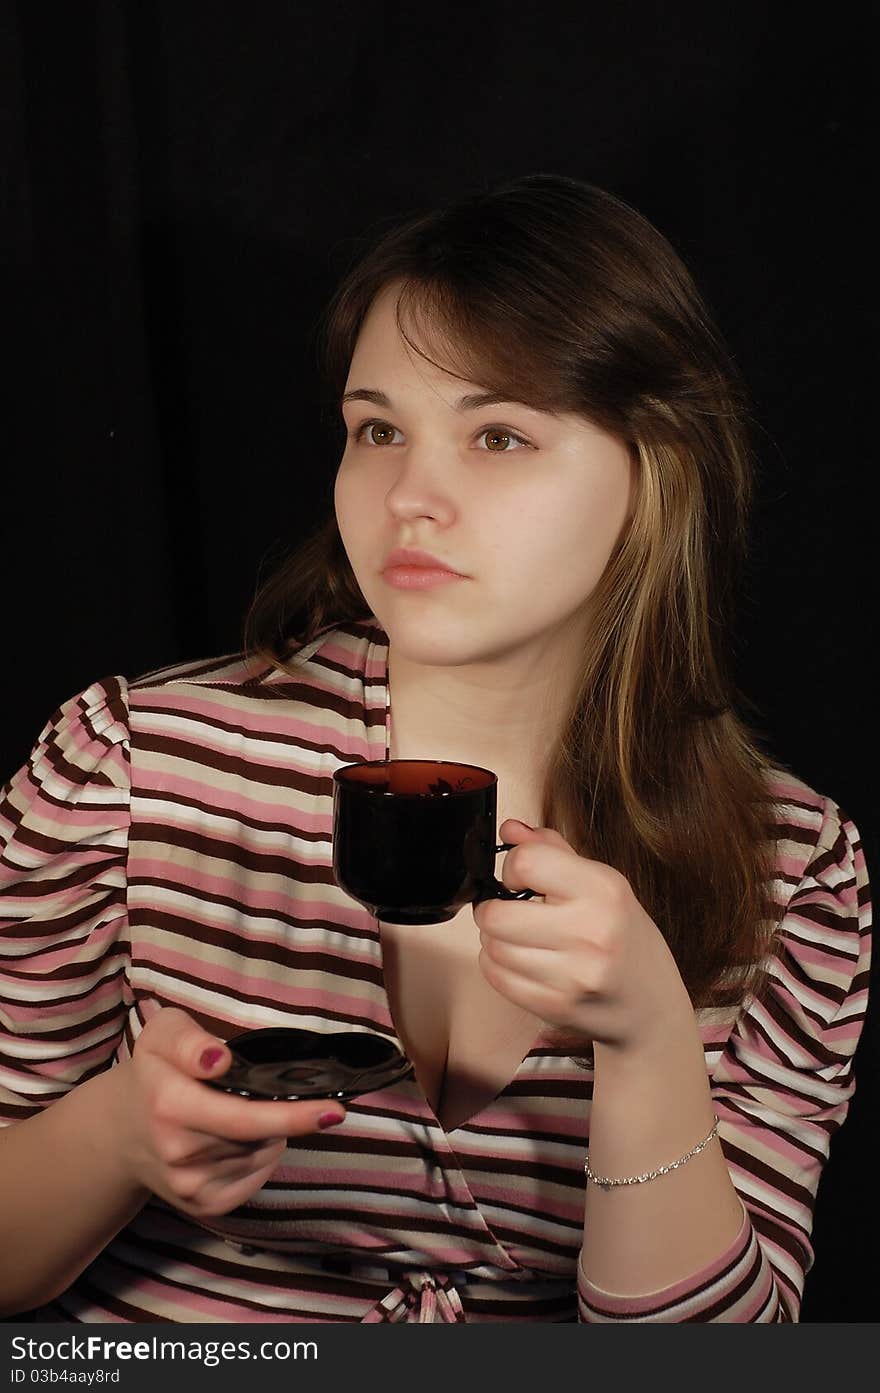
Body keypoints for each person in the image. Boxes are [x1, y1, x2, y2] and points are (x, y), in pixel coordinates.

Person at [0, 173, 870, 1324]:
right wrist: (115, 1134)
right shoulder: (127, 773)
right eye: (377, 429)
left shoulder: (793, 870)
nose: (410, 494)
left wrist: (651, 1040)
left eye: (499, 433)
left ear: (655, 465)